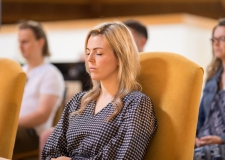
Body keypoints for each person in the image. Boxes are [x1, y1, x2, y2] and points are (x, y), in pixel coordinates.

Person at [41, 21, 157, 159]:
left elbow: (125, 157)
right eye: (88, 52)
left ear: (121, 57)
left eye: (99, 53)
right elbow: (49, 151)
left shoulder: (137, 104)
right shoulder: (78, 101)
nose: (89, 59)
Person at [14, 20, 65, 154]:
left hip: (32, 133)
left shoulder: (50, 73)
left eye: (25, 41)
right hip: (13, 128)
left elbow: (42, 115)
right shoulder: (20, 70)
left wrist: (10, 123)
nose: (20, 46)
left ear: (40, 43)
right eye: (19, 42)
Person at [194, 18, 225, 159]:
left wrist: (222, 138)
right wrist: (194, 137)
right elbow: (200, 117)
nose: (216, 44)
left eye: (223, 39)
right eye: (213, 39)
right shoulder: (212, 80)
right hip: (205, 144)